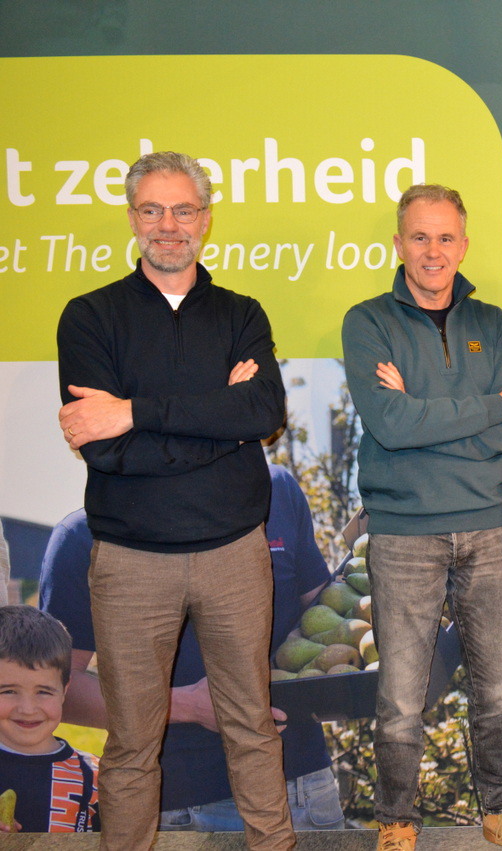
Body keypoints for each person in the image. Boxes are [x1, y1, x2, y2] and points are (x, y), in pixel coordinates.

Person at [54, 151, 292, 850]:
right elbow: (106, 450)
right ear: (133, 219)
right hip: (131, 562)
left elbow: (263, 413)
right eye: (152, 210)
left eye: (183, 209)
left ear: (205, 219)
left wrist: (134, 411)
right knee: (132, 739)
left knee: (251, 726)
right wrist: (220, 422)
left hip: (234, 554)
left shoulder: (242, 314)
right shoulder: (90, 317)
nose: (168, 225)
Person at [341, 183, 502, 851]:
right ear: (399, 244)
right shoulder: (367, 322)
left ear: (463, 245)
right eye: (420, 237)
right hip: (404, 532)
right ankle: (397, 821)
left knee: (497, 689)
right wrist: (489, 408)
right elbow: (391, 425)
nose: (434, 251)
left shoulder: (491, 323)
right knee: (402, 696)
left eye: (446, 237)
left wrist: (426, 412)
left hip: (489, 525)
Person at [39, 464, 345, 831]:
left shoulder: (274, 489)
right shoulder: (83, 538)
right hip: (175, 806)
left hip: (298, 793)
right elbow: (59, 689)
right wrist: (188, 705)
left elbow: (327, 622)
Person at [0, 605, 98, 833]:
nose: (27, 709)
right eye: (8, 691)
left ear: (65, 690)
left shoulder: (95, 777)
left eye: (43, 692)